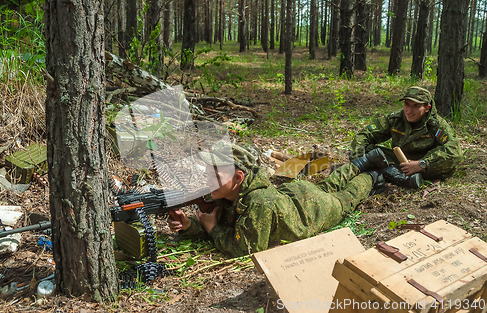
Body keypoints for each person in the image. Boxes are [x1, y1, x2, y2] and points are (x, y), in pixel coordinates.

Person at [168, 142, 387, 257]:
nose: (209, 181)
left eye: (215, 176)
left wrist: (211, 229)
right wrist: (190, 225)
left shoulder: (258, 203)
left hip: (313, 211)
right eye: (207, 174)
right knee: (328, 185)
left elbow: (244, 249)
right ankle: (360, 163)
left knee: (346, 196)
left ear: (238, 177)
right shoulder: (229, 192)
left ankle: (370, 174)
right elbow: (227, 222)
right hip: (296, 194)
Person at [350, 86, 463, 188]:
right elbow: (365, 135)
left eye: (416, 106)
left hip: (425, 167)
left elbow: (454, 151)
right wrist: (358, 161)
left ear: (427, 108)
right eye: (407, 104)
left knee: (445, 164)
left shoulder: (436, 125)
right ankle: (392, 173)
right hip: (399, 162)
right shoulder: (396, 119)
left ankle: (392, 174)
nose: (409, 111)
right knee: (371, 152)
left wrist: (422, 164)